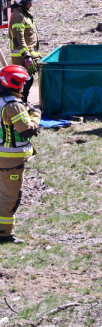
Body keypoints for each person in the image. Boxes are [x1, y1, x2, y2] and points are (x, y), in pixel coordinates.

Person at [0, 65, 39, 245]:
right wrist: (35, 115)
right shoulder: (13, 106)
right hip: (11, 162)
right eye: (22, 83)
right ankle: (4, 233)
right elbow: (27, 131)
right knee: (10, 197)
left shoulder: (6, 102)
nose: (24, 86)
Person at [8, 0, 40, 97]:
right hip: (22, 58)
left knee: (28, 81)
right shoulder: (18, 16)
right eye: (28, 2)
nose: (31, 4)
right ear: (21, 2)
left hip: (27, 57)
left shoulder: (24, 14)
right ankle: (21, 104)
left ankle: (24, 103)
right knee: (24, 83)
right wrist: (26, 55)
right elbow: (18, 38)